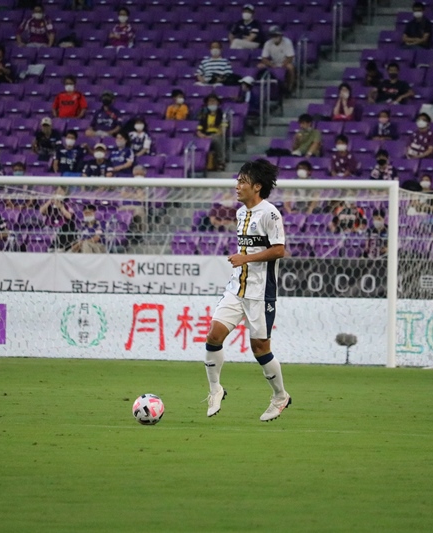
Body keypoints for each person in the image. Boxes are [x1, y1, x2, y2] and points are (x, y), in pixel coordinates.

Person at [203, 159, 289, 422]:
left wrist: (246, 259)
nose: (237, 186)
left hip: (260, 293)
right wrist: (243, 262)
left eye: (242, 181)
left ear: (257, 186)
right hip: (236, 288)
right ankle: (215, 389)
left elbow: (279, 250)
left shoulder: (271, 214)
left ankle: (280, 396)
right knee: (214, 334)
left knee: (260, 348)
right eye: (237, 180)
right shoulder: (241, 213)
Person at [258, 25, 295, 94]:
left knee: (290, 67)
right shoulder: (268, 43)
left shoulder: (287, 42)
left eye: (276, 35)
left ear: (280, 35)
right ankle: (262, 89)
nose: (274, 37)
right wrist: (271, 65)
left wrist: (283, 65)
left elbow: (290, 57)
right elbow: (264, 58)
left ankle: (289, 88)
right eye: (272, 35)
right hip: (274, 62)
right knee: (260, 66)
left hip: (286, 62)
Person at [197, 93, 226, 170]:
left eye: (214, 101)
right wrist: (201, 135)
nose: (212, 103)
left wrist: (211, 136)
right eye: (210, 101)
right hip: (205, 134)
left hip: (216, 135)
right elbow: (199, 130)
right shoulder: (204, 116)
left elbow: (222, 130)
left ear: (218, 103)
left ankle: (221, 161)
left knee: (216, 139)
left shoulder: (222, 115)